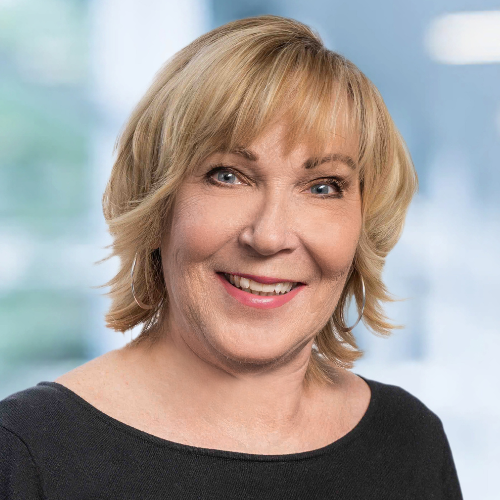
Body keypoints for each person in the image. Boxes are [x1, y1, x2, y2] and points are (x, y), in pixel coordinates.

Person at [0, 14, 462, 499]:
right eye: (228, 175)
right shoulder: (25, 454)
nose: (269, 236)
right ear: (155, 203)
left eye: (323, 187)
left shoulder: (409, 442)